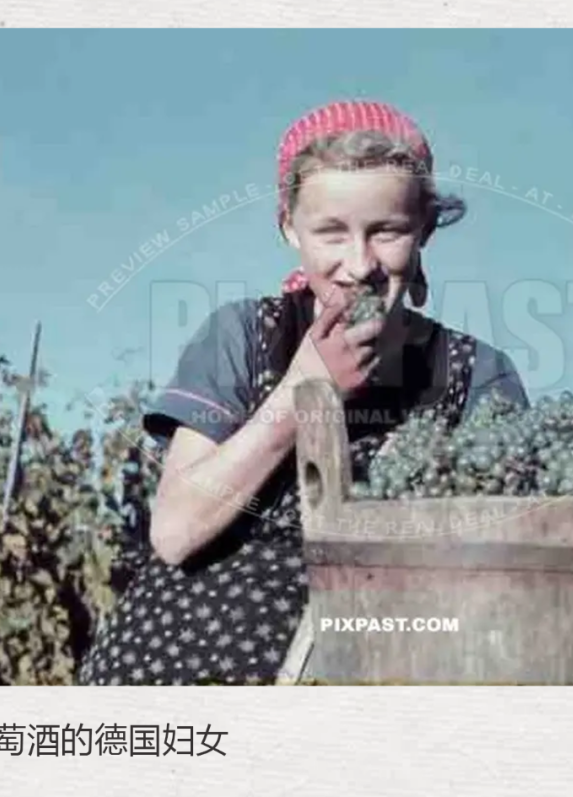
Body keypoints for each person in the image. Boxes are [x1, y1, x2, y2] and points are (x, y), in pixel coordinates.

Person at [78, 99, 528, 686]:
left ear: (423, 228)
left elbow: (502, 570)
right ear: (290, 228)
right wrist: (301, 395)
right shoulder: (243, 335)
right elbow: (176, 532)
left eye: (387, 231)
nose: (359, 264)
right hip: (175, 669)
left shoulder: (474, 373)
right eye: (331, 232)